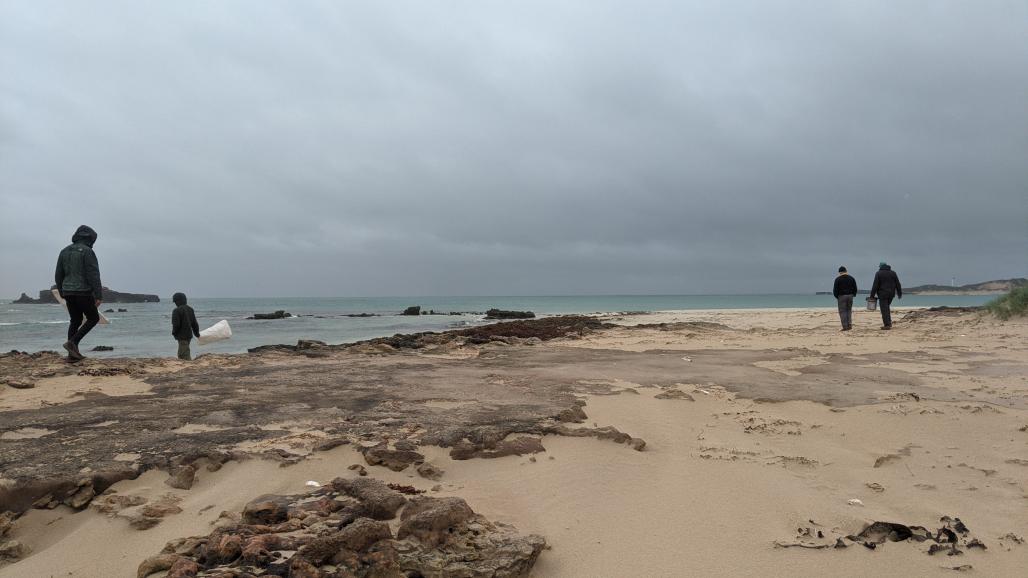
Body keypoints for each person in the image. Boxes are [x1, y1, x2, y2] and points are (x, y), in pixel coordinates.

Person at [55, 225, 102, 360]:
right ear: (90, 238)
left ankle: (72, 355)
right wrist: (98, 295)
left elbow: (58, 274)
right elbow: (93, 274)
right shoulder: (87, 252)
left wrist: (62, 291)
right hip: (83, 292)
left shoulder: (64, 251)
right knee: (93, 318)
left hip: (68, 291)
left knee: (75, 320)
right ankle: (73, 343)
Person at [870, 262, 902, 330]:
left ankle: (887, 325)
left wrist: (872, 296)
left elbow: (875, 285)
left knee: (884, 310)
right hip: (891, 294)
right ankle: (889, 323)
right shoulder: (893, 273)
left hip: (882, 294)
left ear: (881, 266)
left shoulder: (878, 273)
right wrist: (899, 293)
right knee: (886, 308)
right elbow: (898, 283)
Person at [171, 292, 201, 360]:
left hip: (182, 336)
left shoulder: (176, 311)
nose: (175, 303)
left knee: (183, 354)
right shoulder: (190, 309)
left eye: (175, 301)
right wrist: (197, 334)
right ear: (185, 300)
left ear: (178, 301)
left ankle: (189, 365)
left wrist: (174, 332)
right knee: (184, 350)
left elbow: (176, 325)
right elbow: (195, 324)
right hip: (189, 336)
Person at [833, 266, 857, 331]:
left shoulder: (837, 279)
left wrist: (837, 297)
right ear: (846, 271)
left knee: (842, 312)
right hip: (850, 296)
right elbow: (855, 287)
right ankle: (849, 325)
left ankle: (845, 327)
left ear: (840, 272)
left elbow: (835, 290)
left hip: (841, 296)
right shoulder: (851, 278)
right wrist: (853, 294)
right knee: (849, 311)